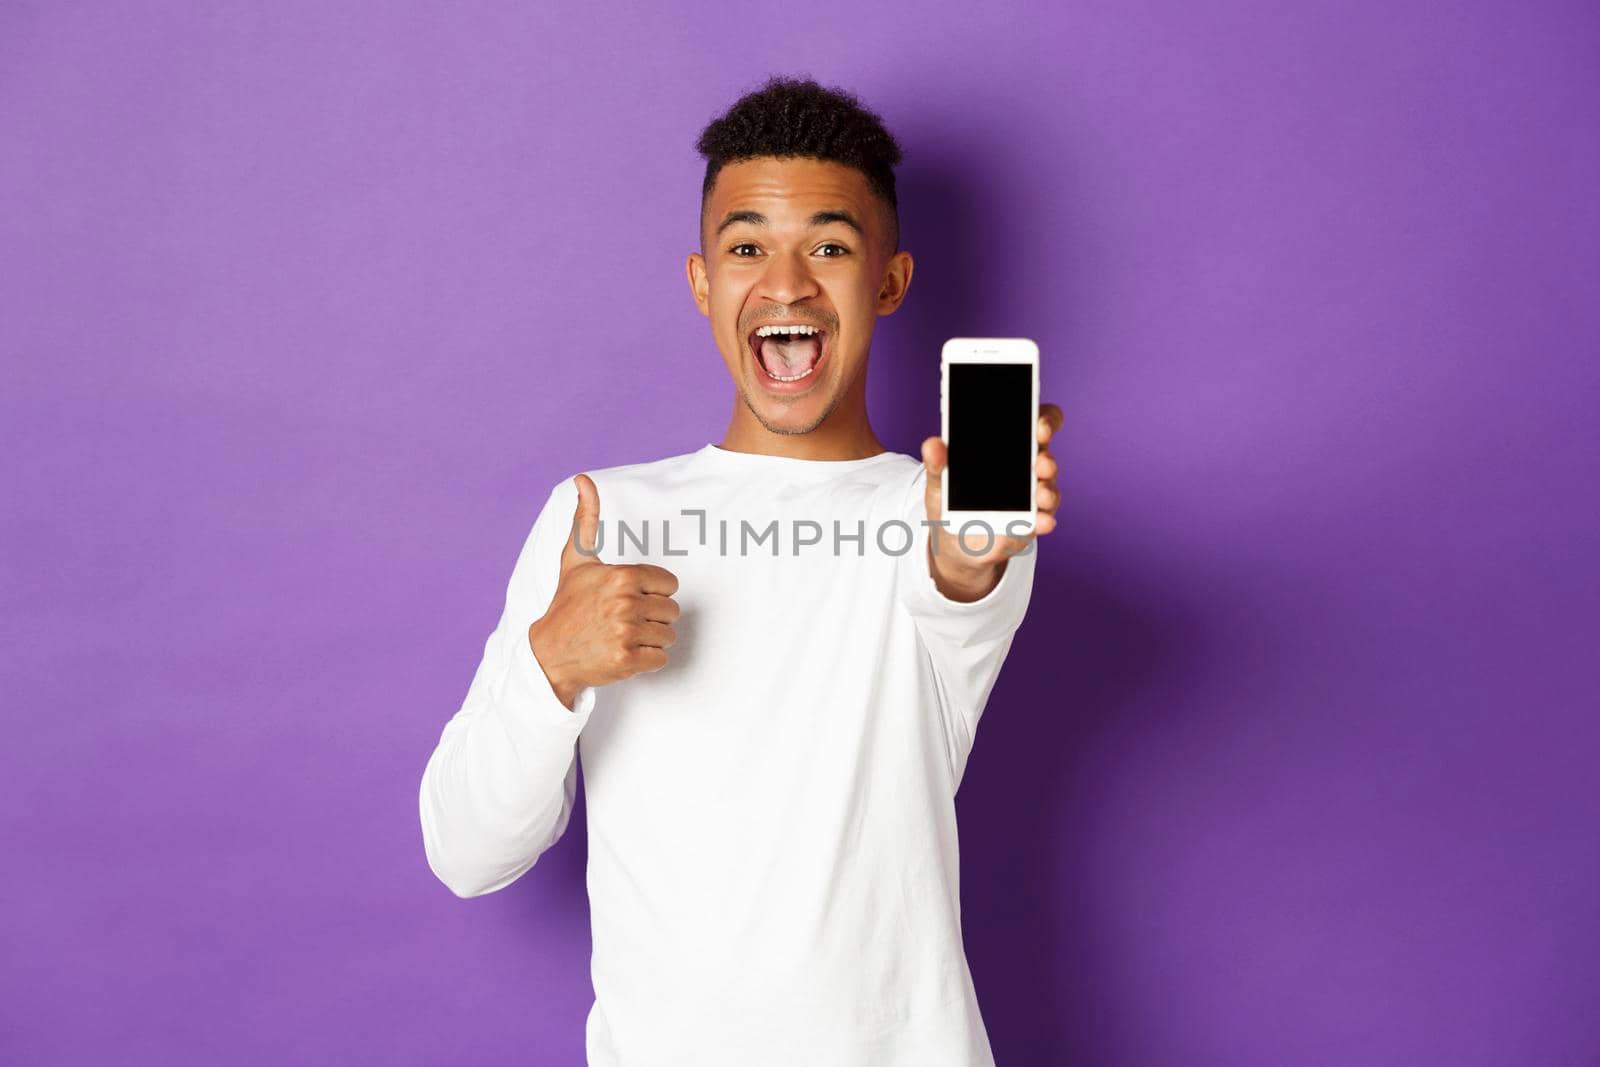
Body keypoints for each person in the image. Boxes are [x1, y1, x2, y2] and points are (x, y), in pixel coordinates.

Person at [418, 75, 1063, 1067]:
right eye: (748, 246)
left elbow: (958, 583)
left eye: (832, 247)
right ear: (703, 281)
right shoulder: (605, 515)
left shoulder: (930, 512)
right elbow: (467, 852)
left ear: (887, 283)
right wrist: (550, 665)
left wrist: (969, 553)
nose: (788, 283)